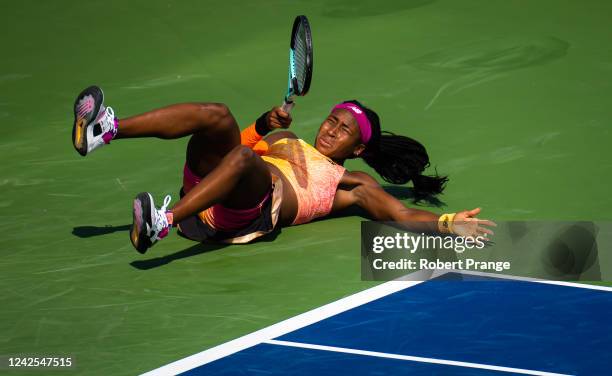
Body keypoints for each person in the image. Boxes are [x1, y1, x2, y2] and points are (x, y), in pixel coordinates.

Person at [72, 86, 494, 254]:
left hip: (244, 213)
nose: (331, 129)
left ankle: (159, 225)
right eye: (331, 120)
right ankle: (105, 130)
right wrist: (261, 125)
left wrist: (444, 223)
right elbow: (231, 145)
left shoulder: (352, 182)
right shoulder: (284, 141)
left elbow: (398, 214)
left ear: (358, 147)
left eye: (343, 130)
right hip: (205, 188)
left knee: (244, 159)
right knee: (216, 116)